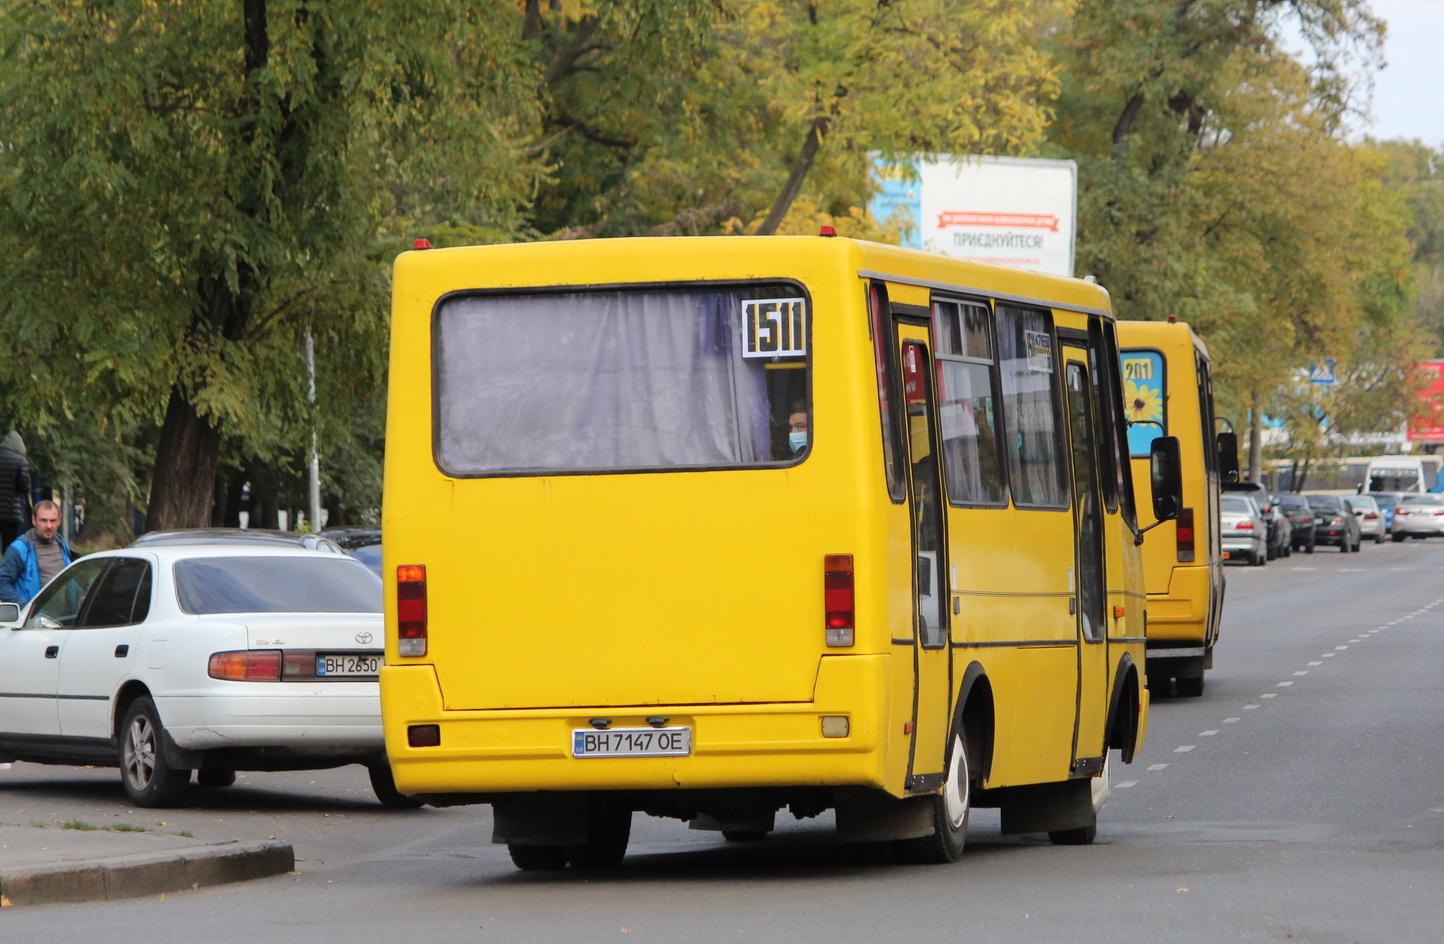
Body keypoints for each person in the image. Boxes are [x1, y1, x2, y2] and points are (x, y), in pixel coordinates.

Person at [0, 500, 72, 606]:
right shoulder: (19, 548)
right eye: (43, 520)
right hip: (34, 620)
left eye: (53, 521)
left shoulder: (62, 544)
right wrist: (24, 606)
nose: (48, 526)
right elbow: (2, 582)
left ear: (59, 521)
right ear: (34, 520)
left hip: (65, 617)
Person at [0, 430, 31, 552]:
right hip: (11, 512)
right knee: (9, 549)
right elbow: (24, 487)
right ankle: (7, 571)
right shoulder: (20, 461)